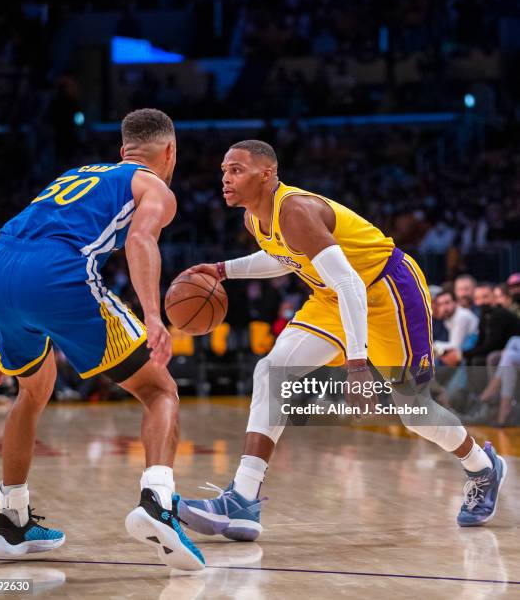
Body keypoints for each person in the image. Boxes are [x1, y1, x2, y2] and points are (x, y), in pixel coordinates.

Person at [179, 140, 507, 540]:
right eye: (223, 171)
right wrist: (222, 270)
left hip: (388, 291)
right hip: (333, 297)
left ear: (266, 174)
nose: (226, 179)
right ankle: (242, 501)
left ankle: (482, 466)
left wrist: (357, 365)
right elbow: (286, 258)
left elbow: (351, 282)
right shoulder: (253, 219)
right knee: (272, 370)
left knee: (414, 412)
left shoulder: (295, 210)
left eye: (236, 170)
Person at [0, 108, 204, 570]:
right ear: (170, 152)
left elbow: (14, 241)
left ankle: (12, 522)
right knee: (160, 390)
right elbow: (139, 242)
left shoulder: (74, 176)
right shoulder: (154, 187)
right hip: (58, 276)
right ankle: (158, 503)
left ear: (122, 151)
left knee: (32, 391)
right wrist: (153, 315)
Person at [433, 290, 478, 365]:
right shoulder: (447, 317)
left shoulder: (462, 316)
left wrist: (433, 345)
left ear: (456, 302)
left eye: (447, 303)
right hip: (463, 351)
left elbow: (455, 345)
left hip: (472, 350)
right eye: (440, 304)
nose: (444, 307)